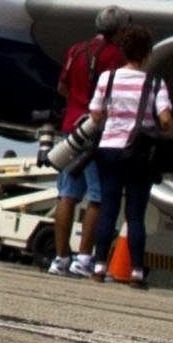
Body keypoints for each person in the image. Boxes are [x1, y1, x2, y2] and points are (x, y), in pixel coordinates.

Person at [84, 33, 165, 285]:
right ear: (147, 54)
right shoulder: (155, 83)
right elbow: (165, 118)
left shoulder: (107, 78)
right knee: (135, 215)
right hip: (139, 153)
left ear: (124, 52)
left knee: (108, 208)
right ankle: (137, 272)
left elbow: (96, 113)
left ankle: (98, 266)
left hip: (109, 148)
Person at [49, 19, 127, 274]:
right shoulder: (116, 56)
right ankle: (83, 258)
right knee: (97, 196)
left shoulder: (76, 50)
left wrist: (76, 102)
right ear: (119, 30)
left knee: (67, 194)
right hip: (96, 131)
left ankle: (60, 258)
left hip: (72, 127)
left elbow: (62, 86)